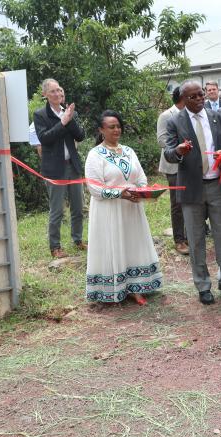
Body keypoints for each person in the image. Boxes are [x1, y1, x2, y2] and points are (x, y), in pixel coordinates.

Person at [164, 80, 221, 304]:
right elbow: (169, 153)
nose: (198, 99)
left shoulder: (218, 117)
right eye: (193, 97)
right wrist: (178, 151)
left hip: (218, 184)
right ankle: (203, 285)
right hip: (191, 188)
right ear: (183, 99)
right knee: (196, 239)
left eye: (201, 95)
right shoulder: (174, 121)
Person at [84, 110, 162, 305]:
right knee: (113, 245)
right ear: (101, 130)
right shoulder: (95, 154)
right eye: (111, 127)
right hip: (109, 211)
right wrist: (120, 193)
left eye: (118, 126)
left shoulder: (129, 151)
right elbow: (94, 187)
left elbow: (141, 178)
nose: (116, 130)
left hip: (131, 209)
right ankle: (114, 289)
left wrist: (141, 192)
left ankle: (135, 287)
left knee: (132, 245)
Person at [33, 78, 87, 258]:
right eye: (54, 91)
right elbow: (45, 138)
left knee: (78, 207)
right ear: (45, 95)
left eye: (60, 90)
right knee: (57, 210)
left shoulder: (70, 112)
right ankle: (55, 246)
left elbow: (80, 136)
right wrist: (62, 122)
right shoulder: (40, 115)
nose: (58, 94)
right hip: (54, 169)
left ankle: (78, 240)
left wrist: (69, 119)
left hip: (73, 166)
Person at [157, 87, 189, 255]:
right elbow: (162, 140)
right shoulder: (166, 115)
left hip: (190, 165)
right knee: (177, 203)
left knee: (191, 200)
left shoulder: (191, 114)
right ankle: (179, 240)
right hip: (173, 165)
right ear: (184, 97)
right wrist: (180, 146)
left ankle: (189, 235)